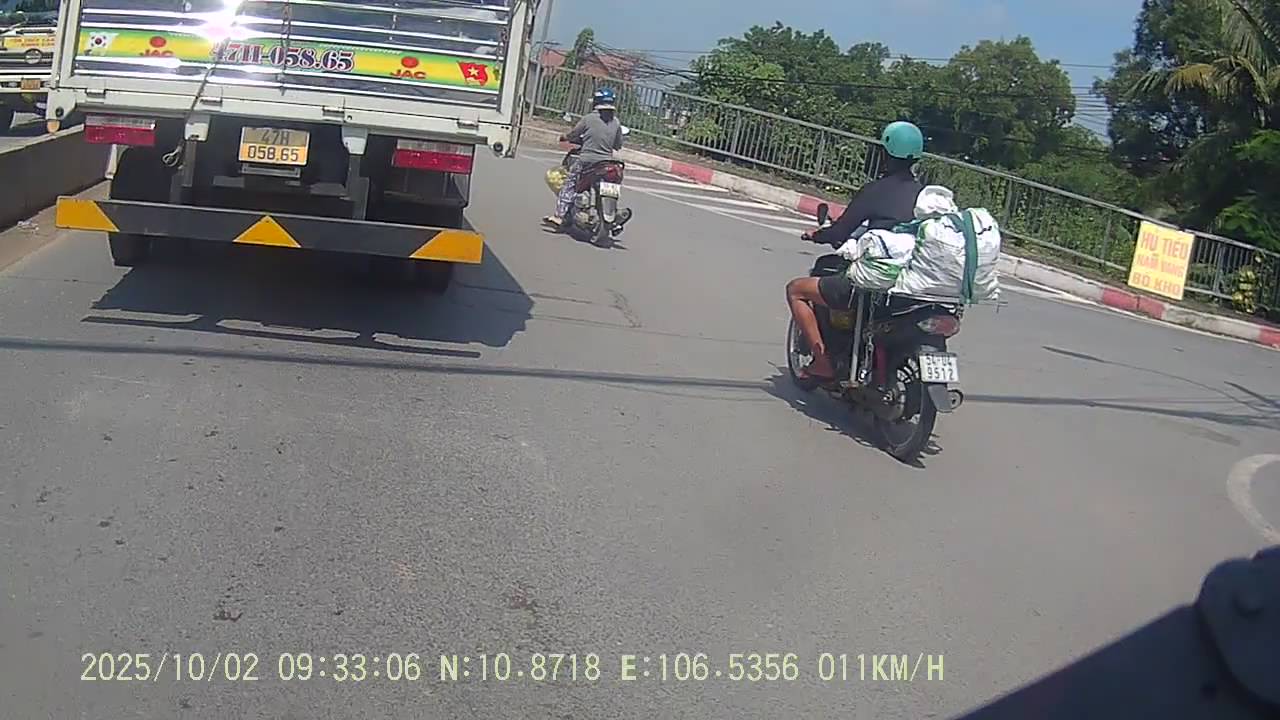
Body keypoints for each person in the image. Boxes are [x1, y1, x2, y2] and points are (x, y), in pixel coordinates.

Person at [785, 121, 927, 382]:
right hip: (913, 284)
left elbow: (840, 232)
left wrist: (817, 234)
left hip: (877, 280)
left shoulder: (876, 191)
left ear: (885, 154)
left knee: (795, 289)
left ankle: (822, 363)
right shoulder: (925, 195)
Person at [543, 88, 625, 230]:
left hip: (587, 161)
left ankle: (559, 216)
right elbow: (618, 145)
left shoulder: (588, 118)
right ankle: (612, 215)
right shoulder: (616, 122)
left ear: (596, 102)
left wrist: (565, 137)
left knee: (569, 184)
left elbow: (574, 134)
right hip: (608, 162)